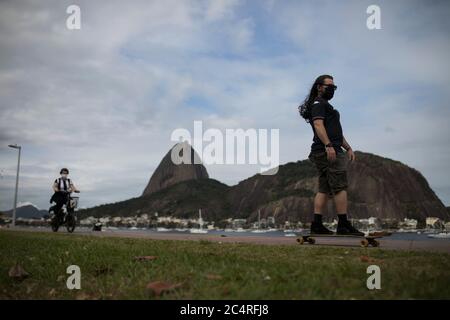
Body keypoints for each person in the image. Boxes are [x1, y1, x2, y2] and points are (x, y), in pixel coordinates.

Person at [299, 75, 363, 236]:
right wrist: (329, 145)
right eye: (329, 86)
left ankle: (317, 225)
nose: (332, 89)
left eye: (334, 87)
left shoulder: (326, 106)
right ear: (319, 87)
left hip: (327, 149)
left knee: (324, 189)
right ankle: (343, 225)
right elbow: (318, 125)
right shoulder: (318, 104)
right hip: (327, 151)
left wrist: (348, 147)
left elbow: (336, 132)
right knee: (340, 187)